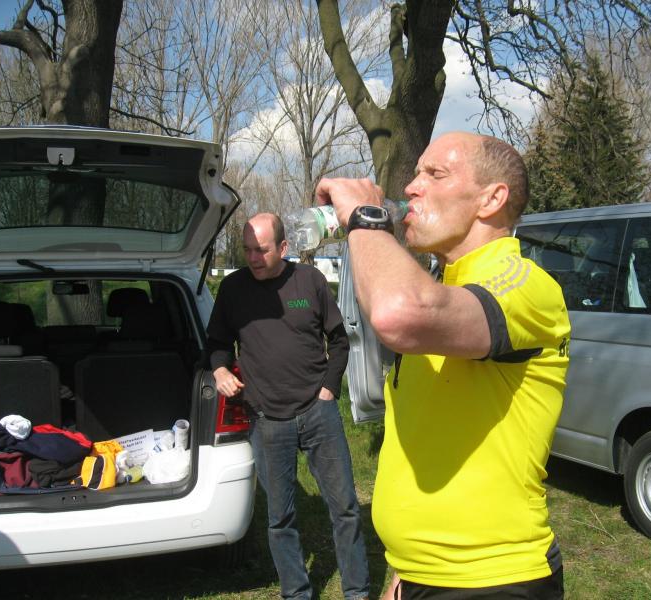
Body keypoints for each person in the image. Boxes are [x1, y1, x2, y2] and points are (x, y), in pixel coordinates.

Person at [315, 132, 571, 599]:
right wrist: (405, 573)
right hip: (422, 577)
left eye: (435, 174)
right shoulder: (443, 287)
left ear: (491, 199)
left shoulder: (524, 283)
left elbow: (398, 314)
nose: (412, 187)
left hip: (492, 582)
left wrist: (365, 217)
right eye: (416, 174)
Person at [207, 213, 370, 600]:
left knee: (345, 508)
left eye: (261, 250)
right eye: (247, 249)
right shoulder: (232, 289)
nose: (253, 257)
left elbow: (339, 340)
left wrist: (329, 388)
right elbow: (216, 342)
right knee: (280, 518)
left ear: (283, 247)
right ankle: (296, 593)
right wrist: (219, 369)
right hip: (266, 420)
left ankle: (357, 592)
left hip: (318, 414)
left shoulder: (309, 281)